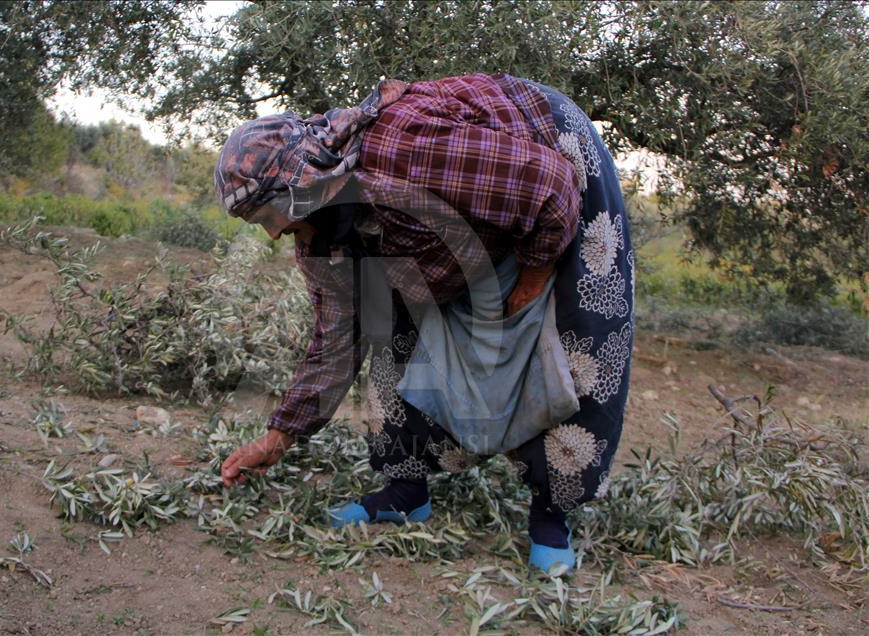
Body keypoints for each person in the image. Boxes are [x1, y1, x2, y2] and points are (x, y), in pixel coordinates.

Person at [214, 73, 634, 575]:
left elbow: (548, 189)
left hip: (554, 166)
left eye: (269, 217)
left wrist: (533, 274)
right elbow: (337, 343)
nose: (275, 234)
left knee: (567, 335)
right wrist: (279, 436)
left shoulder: (402, 149)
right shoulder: (320, 241)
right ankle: (405, 491)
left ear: (301, 184)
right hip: (467, 219)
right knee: (385, 324)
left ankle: (551, 517)